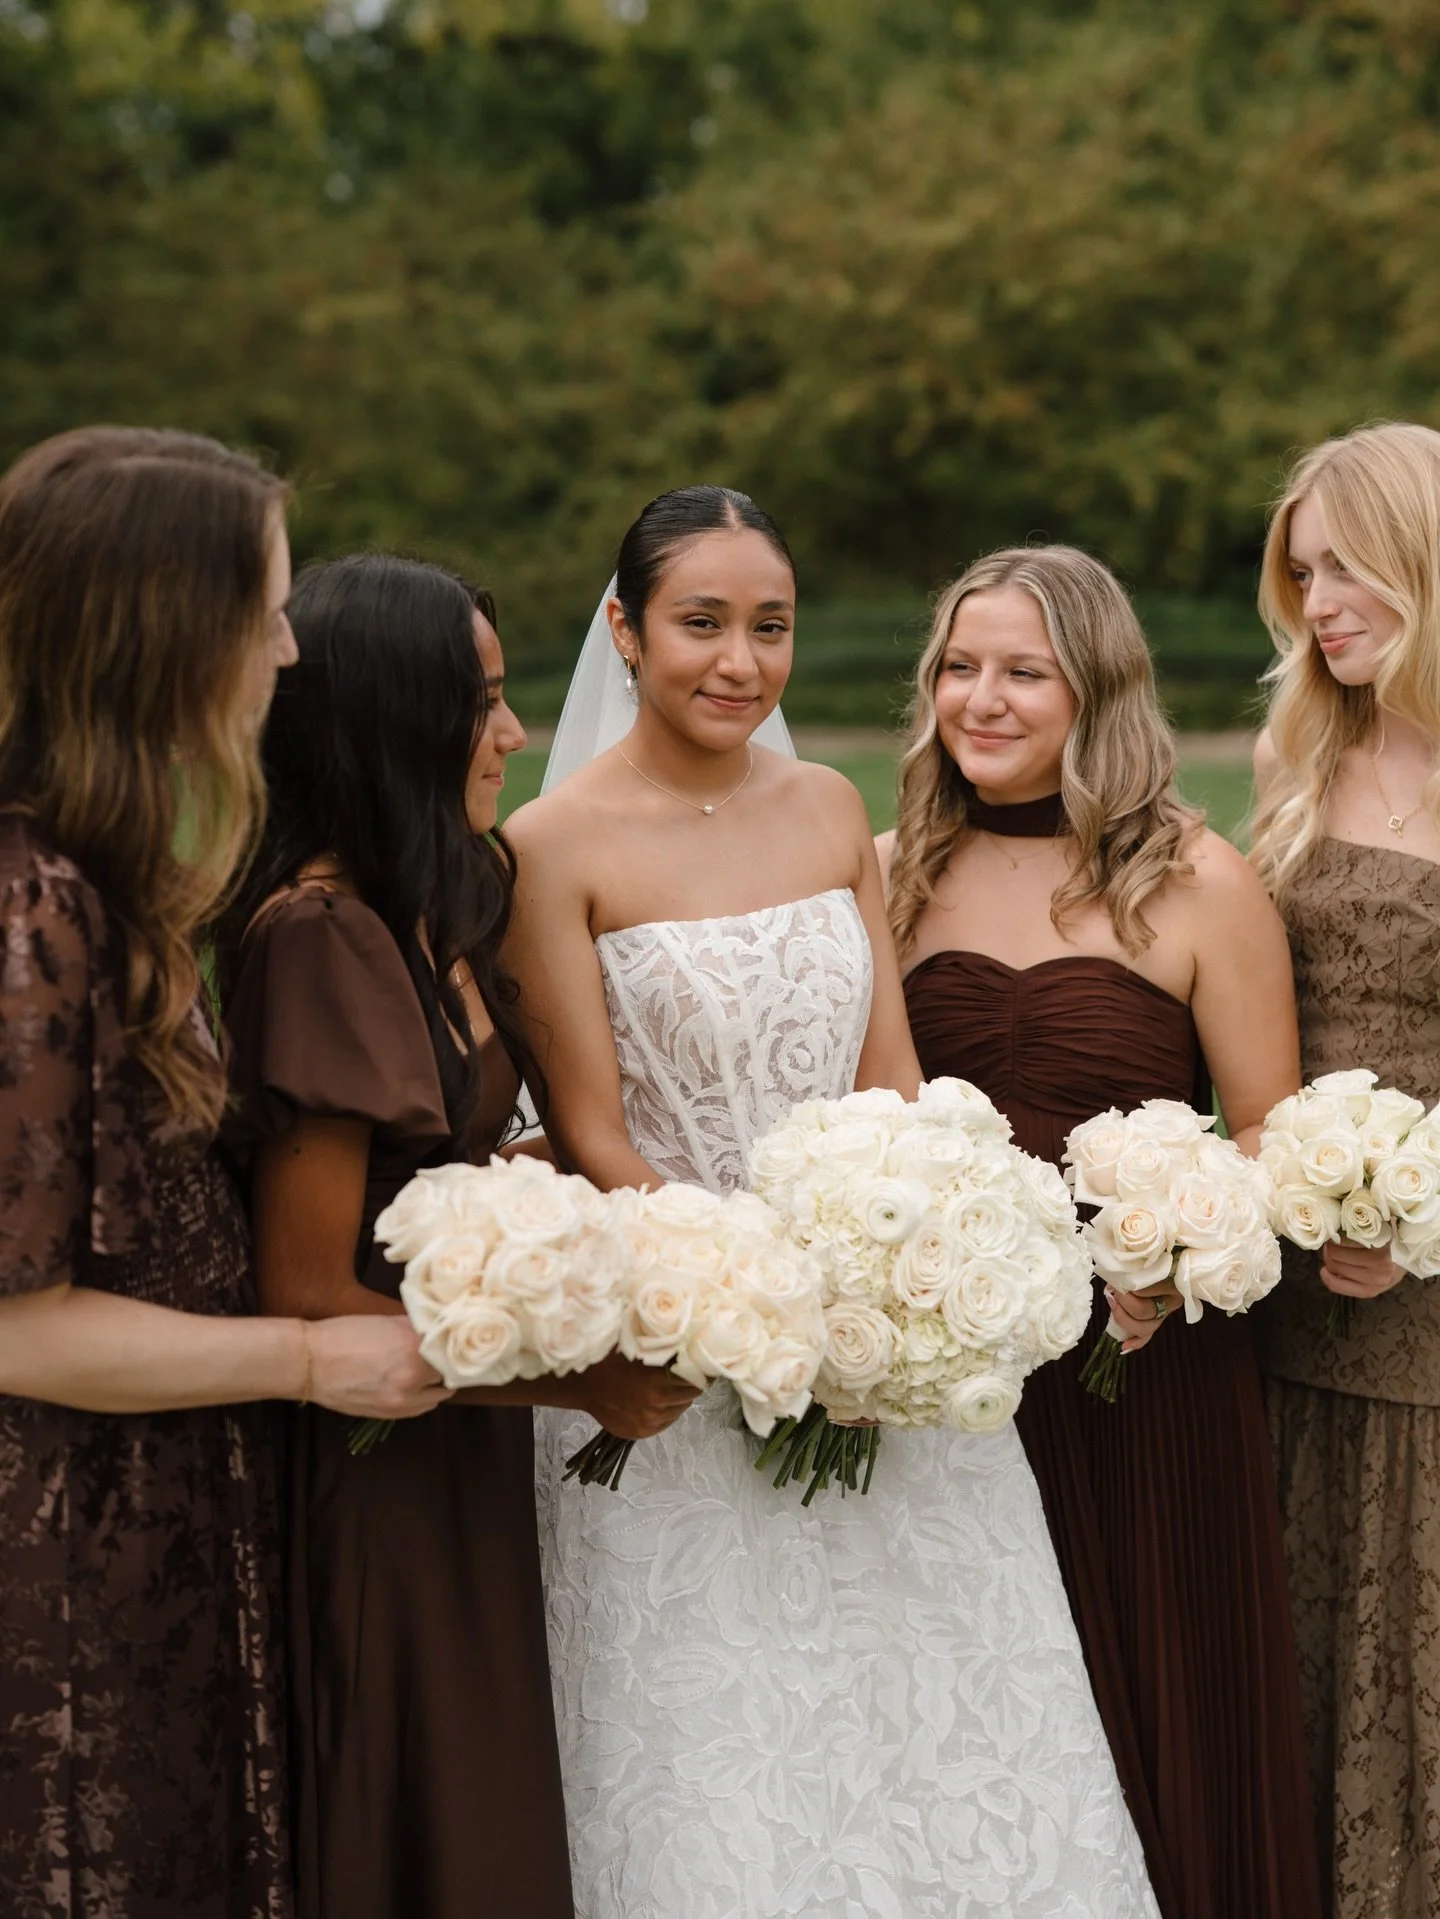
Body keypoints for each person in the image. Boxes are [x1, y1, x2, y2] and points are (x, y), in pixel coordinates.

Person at [505, 485, 1160, 1918]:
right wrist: (751, 1299)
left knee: (941, 1731)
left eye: (771, 626)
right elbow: (592, 1132)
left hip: (882, 1353)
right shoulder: (550, 847)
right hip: (686, 1353)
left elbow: (898, 1081)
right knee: (732, 1757)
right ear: (624, 628)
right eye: (701, 622)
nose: (739, 660)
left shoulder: (829, 808)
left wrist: (910, 1265)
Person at [0, 428, 446, 1918]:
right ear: (162, 628)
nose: (289, 642)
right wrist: (315, 1353)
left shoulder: (109, 871)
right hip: (68, 1548)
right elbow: (17, 1316)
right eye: (262, 606)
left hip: (173, 1510)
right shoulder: (27, 905)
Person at [217, 553, 695, 1919]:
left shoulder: (429, 913)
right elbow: (306, 1285)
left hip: (455, 1431)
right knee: (429, 1816)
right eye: (480, 702)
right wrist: (576, 1382)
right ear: (391, 721)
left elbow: (431, 1165)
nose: (513, 731)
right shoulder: (320, 936)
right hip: (375, 1462)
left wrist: (544, 1195)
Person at [884, 543, 1322, 1919]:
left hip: (1144, 1376)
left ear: (1100, 691)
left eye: (1026, 670)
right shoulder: (887, 872)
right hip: (942, 1383)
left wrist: (1173, 1254)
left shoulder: (1199, 880)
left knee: (1161, 1715)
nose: (983, 698)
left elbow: (1268, 1131)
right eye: (959, 666)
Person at [1251, 421, 1440, 1919]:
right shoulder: (1299, 748)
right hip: (1295, 1314)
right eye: (1301, 572)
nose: (1317, 603)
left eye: (1346, 564)